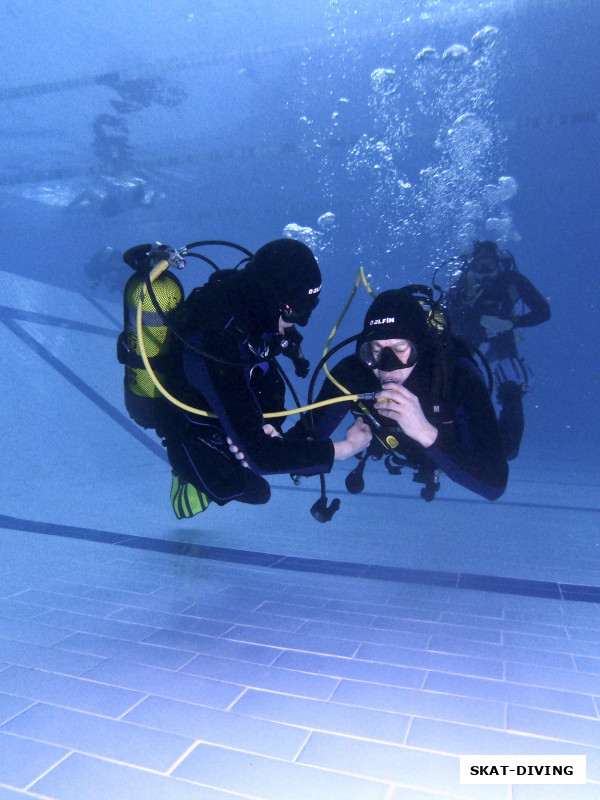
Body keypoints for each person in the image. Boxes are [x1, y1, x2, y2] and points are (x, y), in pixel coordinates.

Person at [155, 238, 371, 518]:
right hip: (192, 429)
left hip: (229, 399)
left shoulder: (254, 314)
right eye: (296, 312)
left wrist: (267, 426)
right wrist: (345, 448)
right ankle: (186, 472)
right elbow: (261, 459)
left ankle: (246, 435)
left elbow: (265, 378)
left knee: (273, 418)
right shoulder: (216, 340)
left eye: (310, 309)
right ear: (269, 298)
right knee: (252, 490)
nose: (300, 323)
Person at [279, 288, 508, 503]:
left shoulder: (455, 376)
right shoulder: (354, 374)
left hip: (454, 447)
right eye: (376, 350)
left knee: (510, 448)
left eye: (400, 349)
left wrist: (424, 432)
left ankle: (513, 397)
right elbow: (297, 442)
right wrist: (342, 450)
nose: (387, 367)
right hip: (397, 445)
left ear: (421, 346)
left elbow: (494, 484)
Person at [442, 240, 550, 460]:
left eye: (489, 267)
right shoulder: (464, 283)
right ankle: (451, 427)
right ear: (472, 266)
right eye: (480, 267)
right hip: (470, 334)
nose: (485, 273)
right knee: (451, 376)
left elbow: (543, 311)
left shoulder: (513, 281)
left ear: (500, 265)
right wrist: (475, 319)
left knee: (512, 382)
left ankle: (508, 444)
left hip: (503, 331)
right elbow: (445, 316)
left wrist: (514, 322)